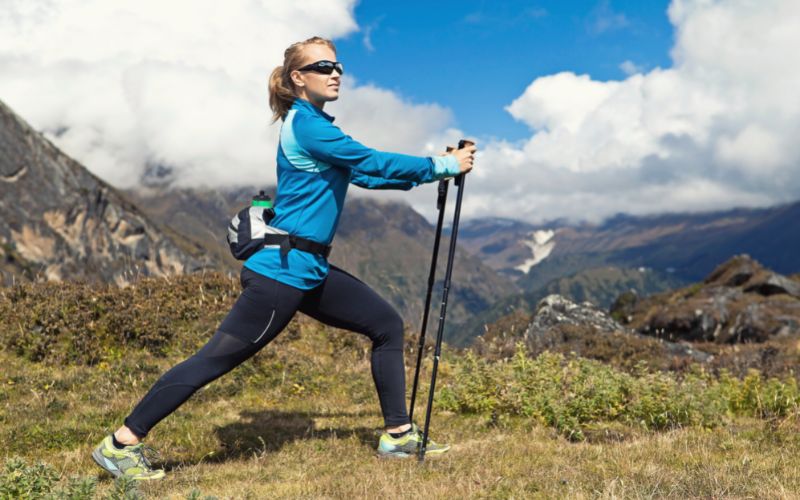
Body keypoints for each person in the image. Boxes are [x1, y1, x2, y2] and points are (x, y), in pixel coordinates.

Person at [91, 36, 476, 480]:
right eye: (324, 66)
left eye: (339, 68)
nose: (336, 74)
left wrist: (432, 171)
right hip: (281, 274)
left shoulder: (317, 127)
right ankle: (122, 443)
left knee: (385, 324)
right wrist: (441, 167)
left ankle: (398, 434)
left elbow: (366, 173)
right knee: (214, 359)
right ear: (298, 77)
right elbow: (370, 159)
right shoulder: (308, 126)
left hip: (307, 268)